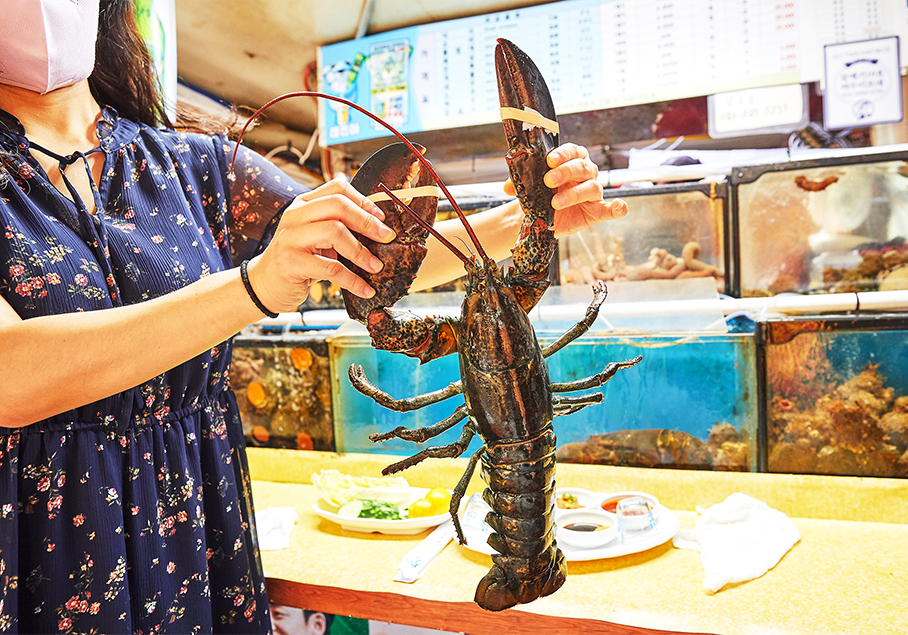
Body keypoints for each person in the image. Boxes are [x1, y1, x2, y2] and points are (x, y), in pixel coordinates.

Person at [0, 1, 628, 633]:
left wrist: (531, 217)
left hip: (196, 520)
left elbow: (364, 256)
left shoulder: (198, 166)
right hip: (43, 540)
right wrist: (258, 283)